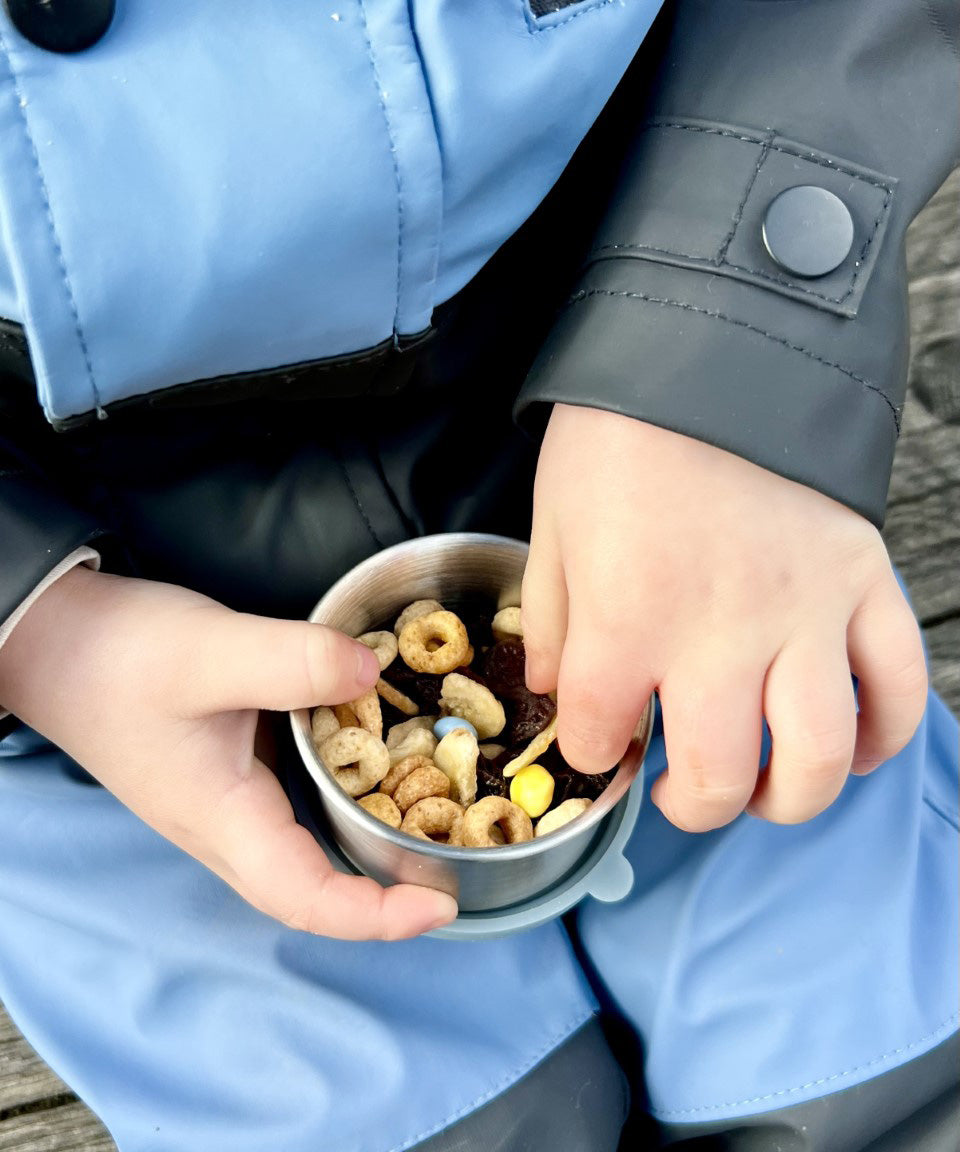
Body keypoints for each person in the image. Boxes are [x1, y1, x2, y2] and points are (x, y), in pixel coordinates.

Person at [0, 0, 956, 1148]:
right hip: (88, 691)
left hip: (662, 434)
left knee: (879, 1057)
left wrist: (734, 333)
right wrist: (39, 631)